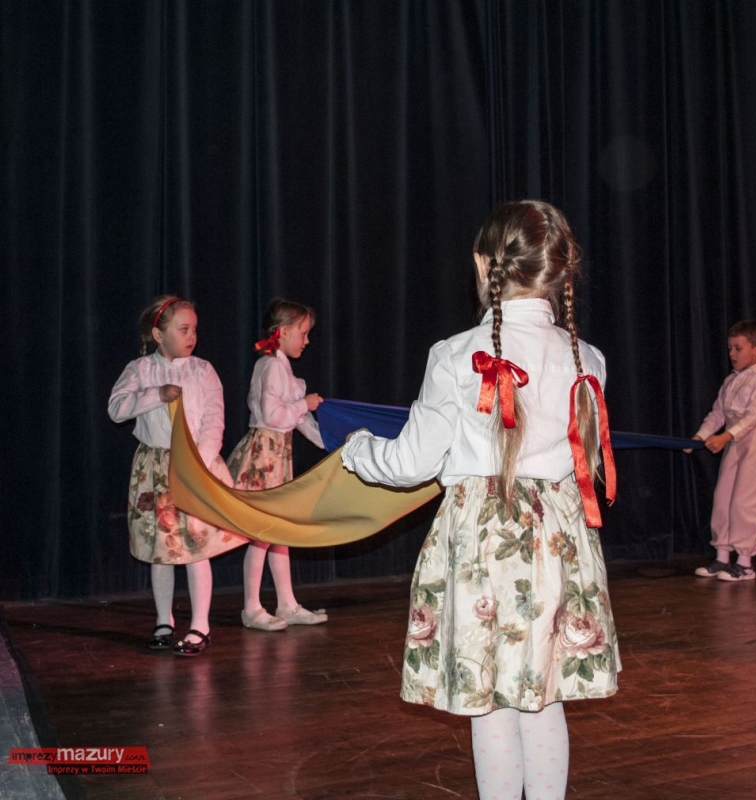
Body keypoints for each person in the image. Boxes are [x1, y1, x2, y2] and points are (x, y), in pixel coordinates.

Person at [341, 200, 620, 800]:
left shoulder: (454, 354)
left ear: (482, 264)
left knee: (489, 700)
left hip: (482, 549)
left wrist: (355, 449)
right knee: (543, 697)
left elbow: (410, 464)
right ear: (561, 271)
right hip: (557, 547)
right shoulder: (588, 359)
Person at [108, 295, 245, 657]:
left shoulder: (203, 371)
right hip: (156, 470)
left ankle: (200, 625)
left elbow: (214, 420)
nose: (192, 336)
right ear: (158, 334)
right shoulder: (140, 370)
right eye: (183, 329)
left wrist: (199, 461)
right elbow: (117, 409)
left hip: (194, 465)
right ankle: (163, 620)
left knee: (196, 548)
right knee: (161, 550)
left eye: (194, 329)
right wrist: (157, 394)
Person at [227, 299, 328, 630]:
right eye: (303, 333)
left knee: (277, 531)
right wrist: (304, 404)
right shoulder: (270, 366)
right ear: (283, 332)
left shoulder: (280, 367)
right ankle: (251, 607)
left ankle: (287, 604)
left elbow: (297, 420)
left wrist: (329, 442)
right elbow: (274, 415)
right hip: (264, 457)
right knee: (262, 533)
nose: (307, 341)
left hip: (277, 454)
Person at [690, 320, 756, 582]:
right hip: (734, 441)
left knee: (746, 501)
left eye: (738, 348)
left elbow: (753, 416)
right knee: (724, 497)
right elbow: (718, 414)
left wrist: (725, 436)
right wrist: (699, 437)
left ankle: (745, 563)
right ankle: (722, 557)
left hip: (754, 440)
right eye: (730, 348)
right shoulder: (730, 380)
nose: (732, 354)